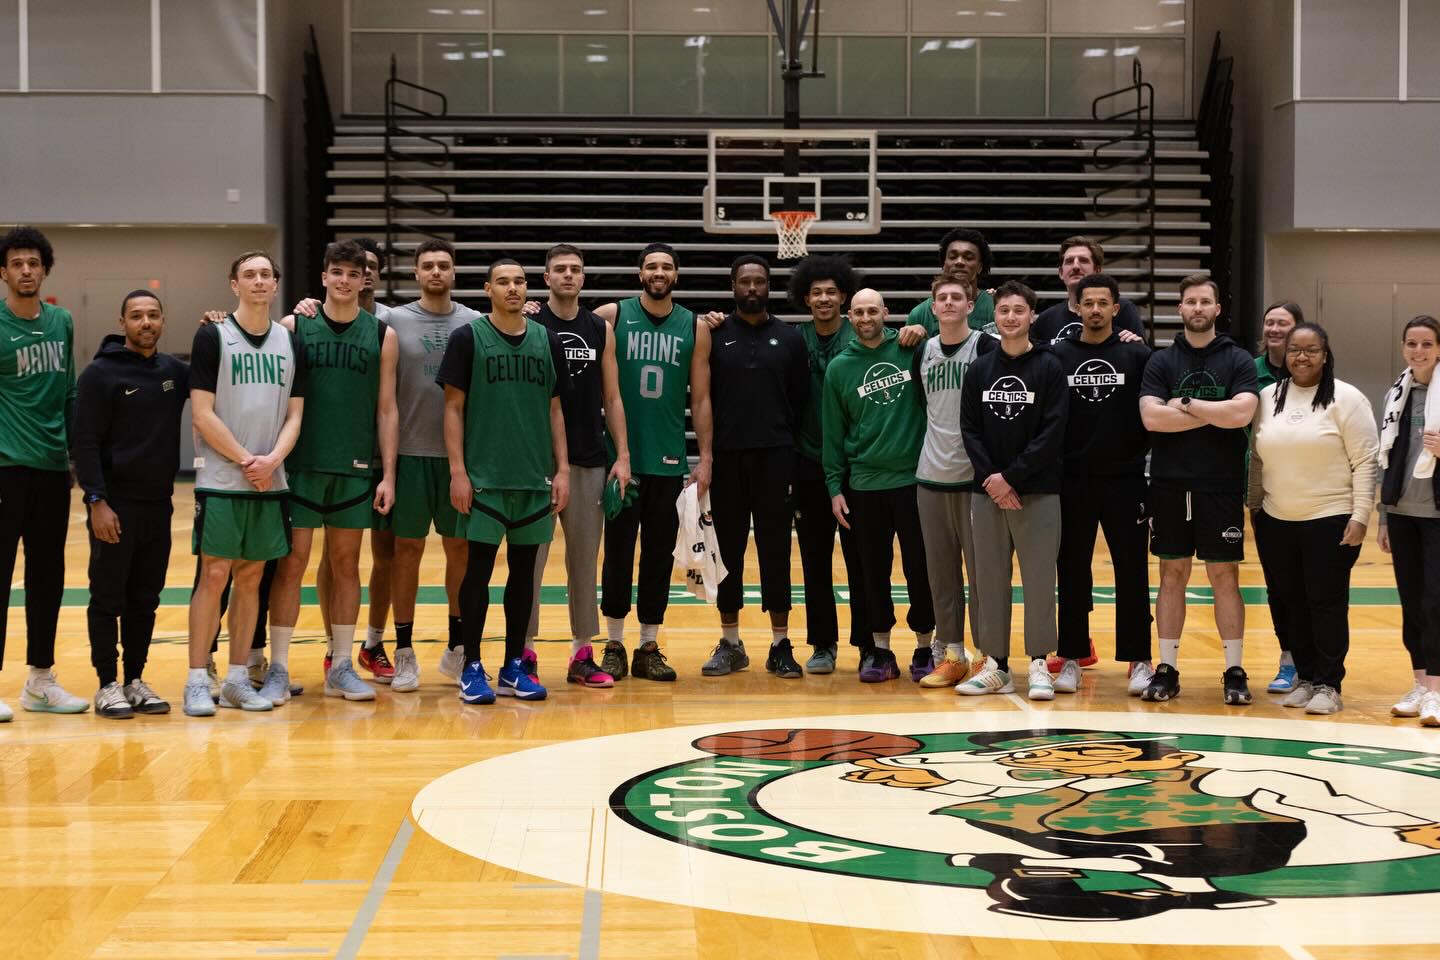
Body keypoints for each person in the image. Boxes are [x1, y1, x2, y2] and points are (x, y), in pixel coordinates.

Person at [268, 240, 398, 703]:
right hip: (300, 466)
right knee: (291, 567)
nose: (344, 280)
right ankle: (279, 668)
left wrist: (389, 474)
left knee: (346, 565)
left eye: (353, 273)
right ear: (323, 277)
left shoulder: (382, 334)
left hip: (354, 467)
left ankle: (341, 664)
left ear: (365, 280)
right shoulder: (293, 326)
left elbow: (387, 409)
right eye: (336, 272)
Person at [438, 259, 571, 703]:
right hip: (484, 481)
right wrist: (459, 471)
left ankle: (514, 664)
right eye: (503, 281)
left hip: (533, 478)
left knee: (523, 577)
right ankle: (471, 664)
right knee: (477, 575)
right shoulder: (467, 338)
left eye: (519, 281)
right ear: (487, 288)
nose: (512, 288)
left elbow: (555, 410)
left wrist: (562, 470)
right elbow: (452, 408)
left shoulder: (545, 340)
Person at [186, 250, 304, 717]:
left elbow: (296, 415)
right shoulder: (212, 336)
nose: (258, 282)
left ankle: (238, 678)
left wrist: (272, 459)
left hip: (269, 479)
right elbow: (201, 412)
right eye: (249, 275)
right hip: (222, 477)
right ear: (234, 285)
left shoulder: (291, 341)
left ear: (276, 284)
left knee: (252, 576)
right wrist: (246, 459)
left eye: (265, 275)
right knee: (215, 574)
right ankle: (198, 679)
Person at [1138, 274, 1260, 705]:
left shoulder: (1239, 359)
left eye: (1205, 301)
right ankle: (1167, 667)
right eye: (1190, 301)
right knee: (1172, 575)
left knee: (1224, 576)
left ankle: (1234, 669)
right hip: (1170, 485)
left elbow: (1244, 413)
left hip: (1221, 486)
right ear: (1181, 308)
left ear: (1217, 308)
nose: (1197, 308)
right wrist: (1217, 411)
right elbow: (1152, 418)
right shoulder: (1160, 362)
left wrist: (1185, 404)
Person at [595, 243, 713, 681]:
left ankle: (648, 645)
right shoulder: (612, 316)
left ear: (676, 276)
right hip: (621, 462)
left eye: (666, 267)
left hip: (668, 461)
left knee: (659, 558)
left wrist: (706, 458)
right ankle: (612, 643)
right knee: (618, 555)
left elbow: (700, 399)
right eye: (651, 266)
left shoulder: (695, 327)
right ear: (639, 272)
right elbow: (562, 328)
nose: (658, 272)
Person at [1247, 322, 1377, 715]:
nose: (1302, 357)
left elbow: (1366, 461)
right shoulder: (1268, 396)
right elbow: (1256, 456)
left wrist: (1361, 516)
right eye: (1295, 350)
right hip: (1275, 518)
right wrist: (1255, 508)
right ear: (1284, 355)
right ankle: (1305, 677)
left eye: (1311, 350)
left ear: (1325, 354)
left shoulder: (1347, 398)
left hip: (1330, 517)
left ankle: (1329, 683)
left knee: (1325, 603)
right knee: (1289, 602)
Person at [72, 290, 188, 718]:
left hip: (158, 504)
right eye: (137, 316)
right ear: (122, 323)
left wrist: (217, 327)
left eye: (153, 315)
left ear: (163, 320)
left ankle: (135, 679)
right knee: (108, 596)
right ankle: (106, 683)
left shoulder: (173, 371)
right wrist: (97, 501)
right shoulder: (100, 375)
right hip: (114, 505)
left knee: (146, 597)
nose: (146, 323)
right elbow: (84, 442)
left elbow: (215, 381)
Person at [366, 239, 476, 692]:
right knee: (404, 554)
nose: (435, 272)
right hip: (408, 455)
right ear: (416, 273)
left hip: (458, 460)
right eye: (427, 265)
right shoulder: (392, 320)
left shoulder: (476, 322)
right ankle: (405, 651)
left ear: (453, 272)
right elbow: (344, 313)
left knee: (459, 552)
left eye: (443, 265)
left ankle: (457, 648)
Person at [958, 281, 1069, 700]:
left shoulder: (1050, 366)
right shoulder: (980, 369)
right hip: (986, 492)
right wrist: (993, 479)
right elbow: (969, 428)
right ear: (995, 316)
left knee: (1040, 579)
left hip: (1037, 491)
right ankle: (997, 665)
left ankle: (1039, 662)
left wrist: (1013, 478)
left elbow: (1052, 431)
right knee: (988, 580)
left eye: (1018, 310)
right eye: (1003, 310)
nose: (1010, 317)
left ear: (1031, 316)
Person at [527, 243, 631, 688]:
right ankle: (523, 651)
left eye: (575, 270)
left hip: (590, 457)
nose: (568, 276)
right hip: (538, 462)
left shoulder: (598, 328)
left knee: (584, 562)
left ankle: (582, 655)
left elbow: (612, 397)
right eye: (559, 269)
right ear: (547, 277)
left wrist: (622, 455)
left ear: (583, 278)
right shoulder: (530, 325)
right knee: (529, 560)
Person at [701, 255, 808, 680]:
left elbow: (800, 401)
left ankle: (781, 644)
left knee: (775, 550)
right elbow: (701, 396)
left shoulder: (790, 337)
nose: (751, 288)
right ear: (732, 285)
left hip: (776, 457)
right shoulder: (712, 334)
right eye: (744, 281)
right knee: (727, 552)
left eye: (759, 281)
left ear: (769, 286)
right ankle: (730, 643)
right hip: (726, 458)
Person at [1048, 273, 1154, 696]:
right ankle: (1071, 656)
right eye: (1086, 303)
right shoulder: (1058, 357)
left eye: (1102, 303)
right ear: (1076, 308)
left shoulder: (1138, 356)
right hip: (1072, 479)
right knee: (1071, 571)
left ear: (1115, 308)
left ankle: (1139, 658)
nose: (1094, 309)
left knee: (1133, 571)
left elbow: (1151, 417)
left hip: (1125, 479)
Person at [822, 289, 934, 683]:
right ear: (849, 317)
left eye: (873, 310)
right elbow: (833, 434)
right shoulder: (839, 368)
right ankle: (880, 650)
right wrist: (835, 486)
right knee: (872, 572)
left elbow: (955, 332)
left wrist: (920, 327)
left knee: (921, 569)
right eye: (859, 312)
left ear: (886, 313)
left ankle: (925, 647)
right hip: (864, 483)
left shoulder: (912, 349)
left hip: (914, 481)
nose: (866, 317)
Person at [0, 226, 87, 719]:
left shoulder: (62, 321)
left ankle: (40, 679)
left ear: (45, 269)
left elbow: (70, 392)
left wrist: (75, 457)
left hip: (53, 470)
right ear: (4, 272)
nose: (26, 271)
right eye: (17, 264)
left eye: (33, 263)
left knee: (48, 577)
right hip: (5, 468)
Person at [788, 256, 872, 674]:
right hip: (807, 463)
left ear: (844, 296)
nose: (824, 298)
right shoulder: (792, 340)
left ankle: (868, 644)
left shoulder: (860, 339)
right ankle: (823, 643)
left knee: (861, 558)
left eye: (831, 292)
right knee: (814, 559)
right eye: (816, 292)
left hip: (854, 466)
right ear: (806, 297)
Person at [912, 267, 995, 688]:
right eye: (941, 298)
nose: (947, 304)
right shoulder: (922, 350)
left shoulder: (986, 346)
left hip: (974, 480)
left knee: (982, 577)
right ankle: (953, 655)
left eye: (955, 298)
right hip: (931, 477)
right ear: (932, 305)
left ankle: (987, 658)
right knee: (941, 577)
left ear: (969, 305)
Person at [1377, 315, 1440, 727]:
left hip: (1437, 514)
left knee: (1436, 602)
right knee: (1412, 603)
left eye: (1427, 344)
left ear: (1439, 348)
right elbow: (1387, 461)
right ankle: (1419, 683)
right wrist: (1382, 516)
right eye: (1411, 344)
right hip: (1401, 513)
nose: (1418, 351)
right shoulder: (1397, 394)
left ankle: (1437, 690)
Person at [1251, 301, 1303, 693]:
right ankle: (1289, 658)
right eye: (1270, 322)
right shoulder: (1250, 371)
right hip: (1264, 489)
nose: (1275, 329)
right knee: (1278, 581)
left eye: (1283, 323)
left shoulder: (1315, 374)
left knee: (1312, 582)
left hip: (1310, 489)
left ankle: (1315, 660)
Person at [1031, 236, 1146, 343]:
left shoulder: (1123, 310)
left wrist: (1138, 345)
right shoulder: (1047, 319)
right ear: (1061, 273)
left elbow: (1140, 355)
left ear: (1097, 270)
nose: (1075, 266)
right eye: (1069, 261)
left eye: (1083, 260)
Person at [907, 228, 995, 335]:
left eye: (968, 257)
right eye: (953, 257)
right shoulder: (919, 314)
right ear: (944, 264)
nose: (959, 262)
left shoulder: (995, 306)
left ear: (980, 267)